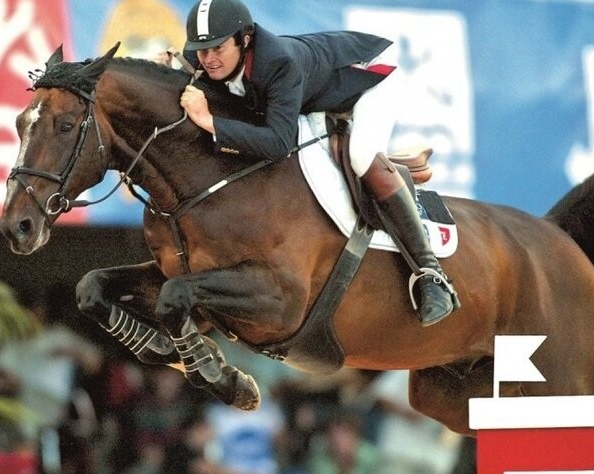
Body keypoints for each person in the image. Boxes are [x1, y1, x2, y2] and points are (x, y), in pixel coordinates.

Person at [177, 0, 459, 326]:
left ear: (245, 39)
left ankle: (430, 273)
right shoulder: (202, 57)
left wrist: (210, 122)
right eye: (202, 50)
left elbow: (278, 144)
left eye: (218, 48)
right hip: (317, 91)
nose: (209, 59)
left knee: (361, 155)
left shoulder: (278, 63)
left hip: (371, 76)